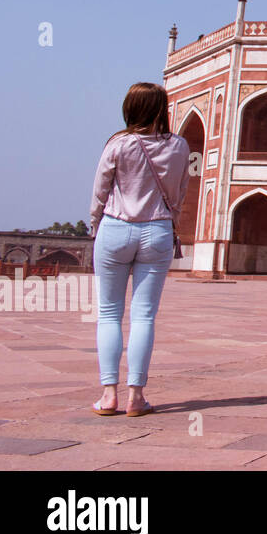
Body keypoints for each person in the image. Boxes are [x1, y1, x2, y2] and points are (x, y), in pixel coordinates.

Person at [87, 82, 189, 416]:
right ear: (163, 108)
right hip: (157, 230)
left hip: (115, 227)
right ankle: (136, 397)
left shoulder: (118, 143)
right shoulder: (179, 146)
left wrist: (95, 226)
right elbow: (180, 193)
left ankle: (108, 395)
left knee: (109, 314)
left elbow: (100, 192)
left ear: (130, 108)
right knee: (144, 315)